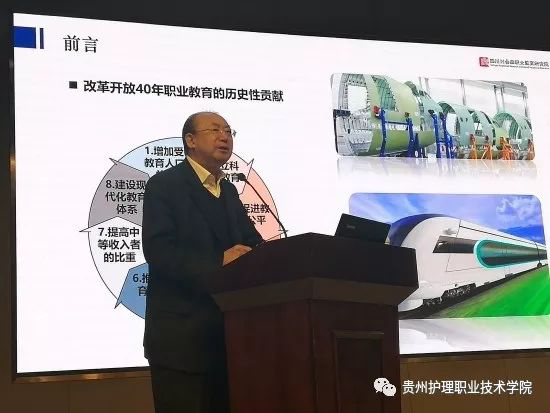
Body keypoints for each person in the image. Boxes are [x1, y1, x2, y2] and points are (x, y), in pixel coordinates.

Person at [142, 111, 263, 413]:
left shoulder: (229, 190)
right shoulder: (164, 185)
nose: (225, 137)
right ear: (191, 140)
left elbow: (253, 243)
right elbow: (159, 252)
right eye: (215, 130)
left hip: (228, 341)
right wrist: (220, 260)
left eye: (229, 131)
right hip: (181, 342)